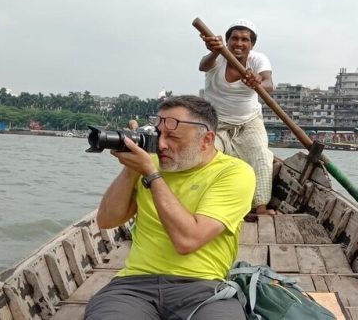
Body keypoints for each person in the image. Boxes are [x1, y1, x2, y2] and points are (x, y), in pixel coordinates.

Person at [85, 95, 255, 320]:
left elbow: (187, 241)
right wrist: (131, 169)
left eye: (173, 137)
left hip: (203, 288)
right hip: (133, 286)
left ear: (206, 140)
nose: (162, 145)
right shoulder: (149, 163)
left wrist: (151, 174)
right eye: (159, 134)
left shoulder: (233, 172)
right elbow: (107, 220)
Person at [199, 18, 275, 215]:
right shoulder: (218, 58)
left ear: (252, 44)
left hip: (249, 122)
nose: (239, 43)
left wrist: (257, 81)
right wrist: (215, 50)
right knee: (206, 156)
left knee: (261, 154)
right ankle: (206, 203)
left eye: (245, 39)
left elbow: (269, 84)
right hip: (215, 124)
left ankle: (260, 207)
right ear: (227, 40)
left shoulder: (257, 60)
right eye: (234, 38)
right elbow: (203, 66)